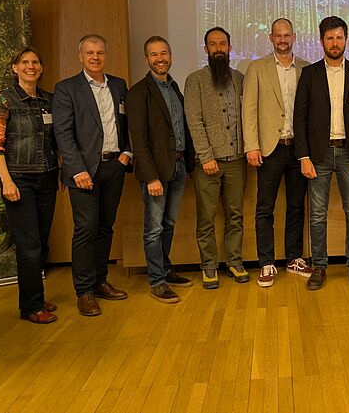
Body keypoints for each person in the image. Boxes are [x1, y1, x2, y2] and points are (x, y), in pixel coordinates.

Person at [294, 16, 349, 291]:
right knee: (317, 214)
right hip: (319, 155)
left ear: (346, 40)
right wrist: (303, 156)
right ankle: (319, 266)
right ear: (322, 42)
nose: (335, 42)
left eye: (339, 37)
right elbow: (300, 117)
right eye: (330, 38)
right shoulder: (310, 74)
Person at [53, 34, 131, 316]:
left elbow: (127, 122)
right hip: (83, 172)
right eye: (89, 53)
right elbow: (63, 133)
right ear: (80, 56)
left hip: (113, 167)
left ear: (105, 55)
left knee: (105, 227)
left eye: (99, 52)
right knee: (86, 229)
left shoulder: (119, 85)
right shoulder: (66, 89)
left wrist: (127, 153)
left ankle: (100, 281)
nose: (95, 57)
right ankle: (84, 292)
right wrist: (77, 169)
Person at [0, 48, 60, 324]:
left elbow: (55, 140)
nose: (31, 66)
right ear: (14, 67)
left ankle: (35, 295)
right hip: (18, 179)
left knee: (41, 242)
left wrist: (60, 170)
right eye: (25, 62)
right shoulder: (4, 100)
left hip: (47, 177)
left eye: (36, 62)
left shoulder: (48, 100)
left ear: (41, 68)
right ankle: (31, 306)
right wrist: (7, 181)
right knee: (29, 245)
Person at [126, 36, 197, 303]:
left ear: (170, 55)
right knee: (154, 228)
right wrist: (151, 177)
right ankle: (156, 281)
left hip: (177, 167)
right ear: (147, 59)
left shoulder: (174, 87)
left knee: (168, 223)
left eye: (164, 53)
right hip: (155, 172)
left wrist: (187, 164)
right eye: (154, 54)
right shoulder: (138, 93)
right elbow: (139, 139)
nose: (160, 59)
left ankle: (166, 270)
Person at [242, 18, 312, 287]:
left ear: (294, 37)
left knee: (296, 206)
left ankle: (294, 258)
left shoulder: (305, 68)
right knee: (265, 208)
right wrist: (251, 145)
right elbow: (249, 109)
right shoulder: (257, 68)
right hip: (269, 149)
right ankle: (266, 262)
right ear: (271, 38)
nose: (283, 39)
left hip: (298, 149)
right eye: (278, 35)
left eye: (287, 35)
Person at [184, 27, 247, 289]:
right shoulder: (195, 80)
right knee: (206, 217)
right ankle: (209, 265)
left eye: (222, 44)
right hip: (208, 163)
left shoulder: (240, 78)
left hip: (237, 160)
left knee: (235, 215)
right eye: (213, 44)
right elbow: (194, 121)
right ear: (206, 49)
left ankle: (234, 261)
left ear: (230, 48)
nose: (218, 48)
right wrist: (205, 156)